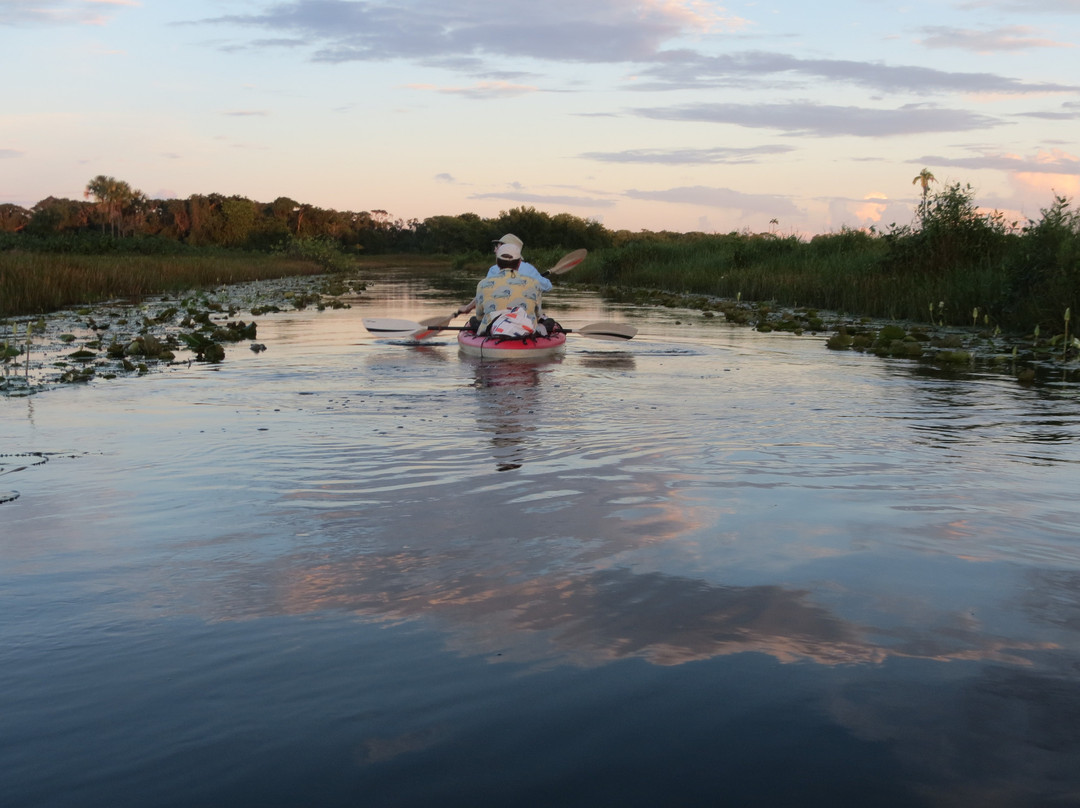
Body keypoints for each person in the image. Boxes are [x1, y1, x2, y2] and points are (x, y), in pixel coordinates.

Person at [462, 242, 550, 336]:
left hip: (491, 331)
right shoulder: (535, 283)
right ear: (519, 262)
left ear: (497, 262)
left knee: (473, 321)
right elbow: (537, 315)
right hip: (526, 332)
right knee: (550, 322)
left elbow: (479, 316)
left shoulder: (482, 284)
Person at [455, 233, 551, 318]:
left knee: (474, 320)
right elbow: (547, 286)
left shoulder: (493, 270)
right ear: (518, 262)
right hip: (525, 322)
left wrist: (468, 307)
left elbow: (486, 293)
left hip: (495, 322)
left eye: (497, 246)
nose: (495, 250)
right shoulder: (530, 270)